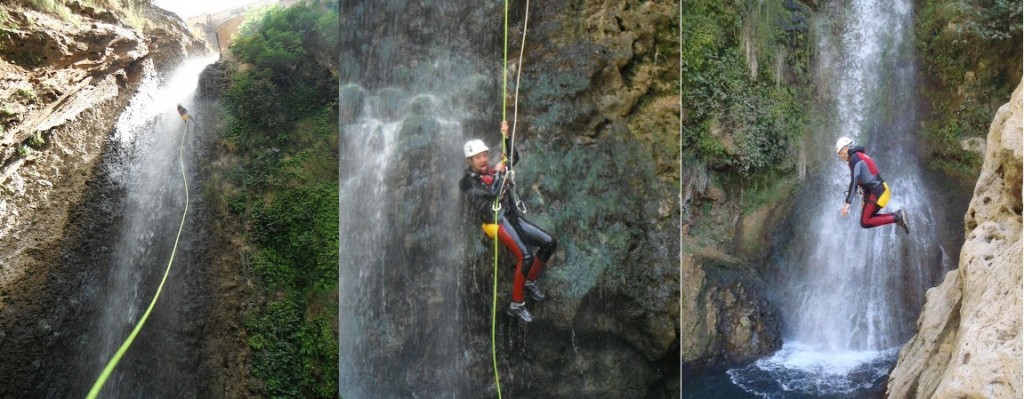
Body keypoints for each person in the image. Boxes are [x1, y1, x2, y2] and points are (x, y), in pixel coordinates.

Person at [460, 120, 557, 323]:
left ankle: (530, 280)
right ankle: (516, 303)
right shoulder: (468, 182)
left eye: (485, 155)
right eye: (478, 157)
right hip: (495, 221)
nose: (483, 159)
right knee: (525, 256)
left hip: (511, 216)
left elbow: (514, 157)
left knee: (549, 242)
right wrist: (500, 174)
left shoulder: (492, 172)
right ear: (470, 160)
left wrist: (506, 137)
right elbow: (492, 192)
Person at [835, 136, 910, 234]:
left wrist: (847, 204)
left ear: (845, 149)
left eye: (840, 153)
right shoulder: (859, 156)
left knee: (865, 221)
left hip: (879, 192)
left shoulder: (854, 158)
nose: (840, 157)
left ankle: (897, 217)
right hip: (880, 191)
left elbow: (854, 181)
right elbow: (867, 179)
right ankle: (897, 217)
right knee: (866, 220)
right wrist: (865, 198)